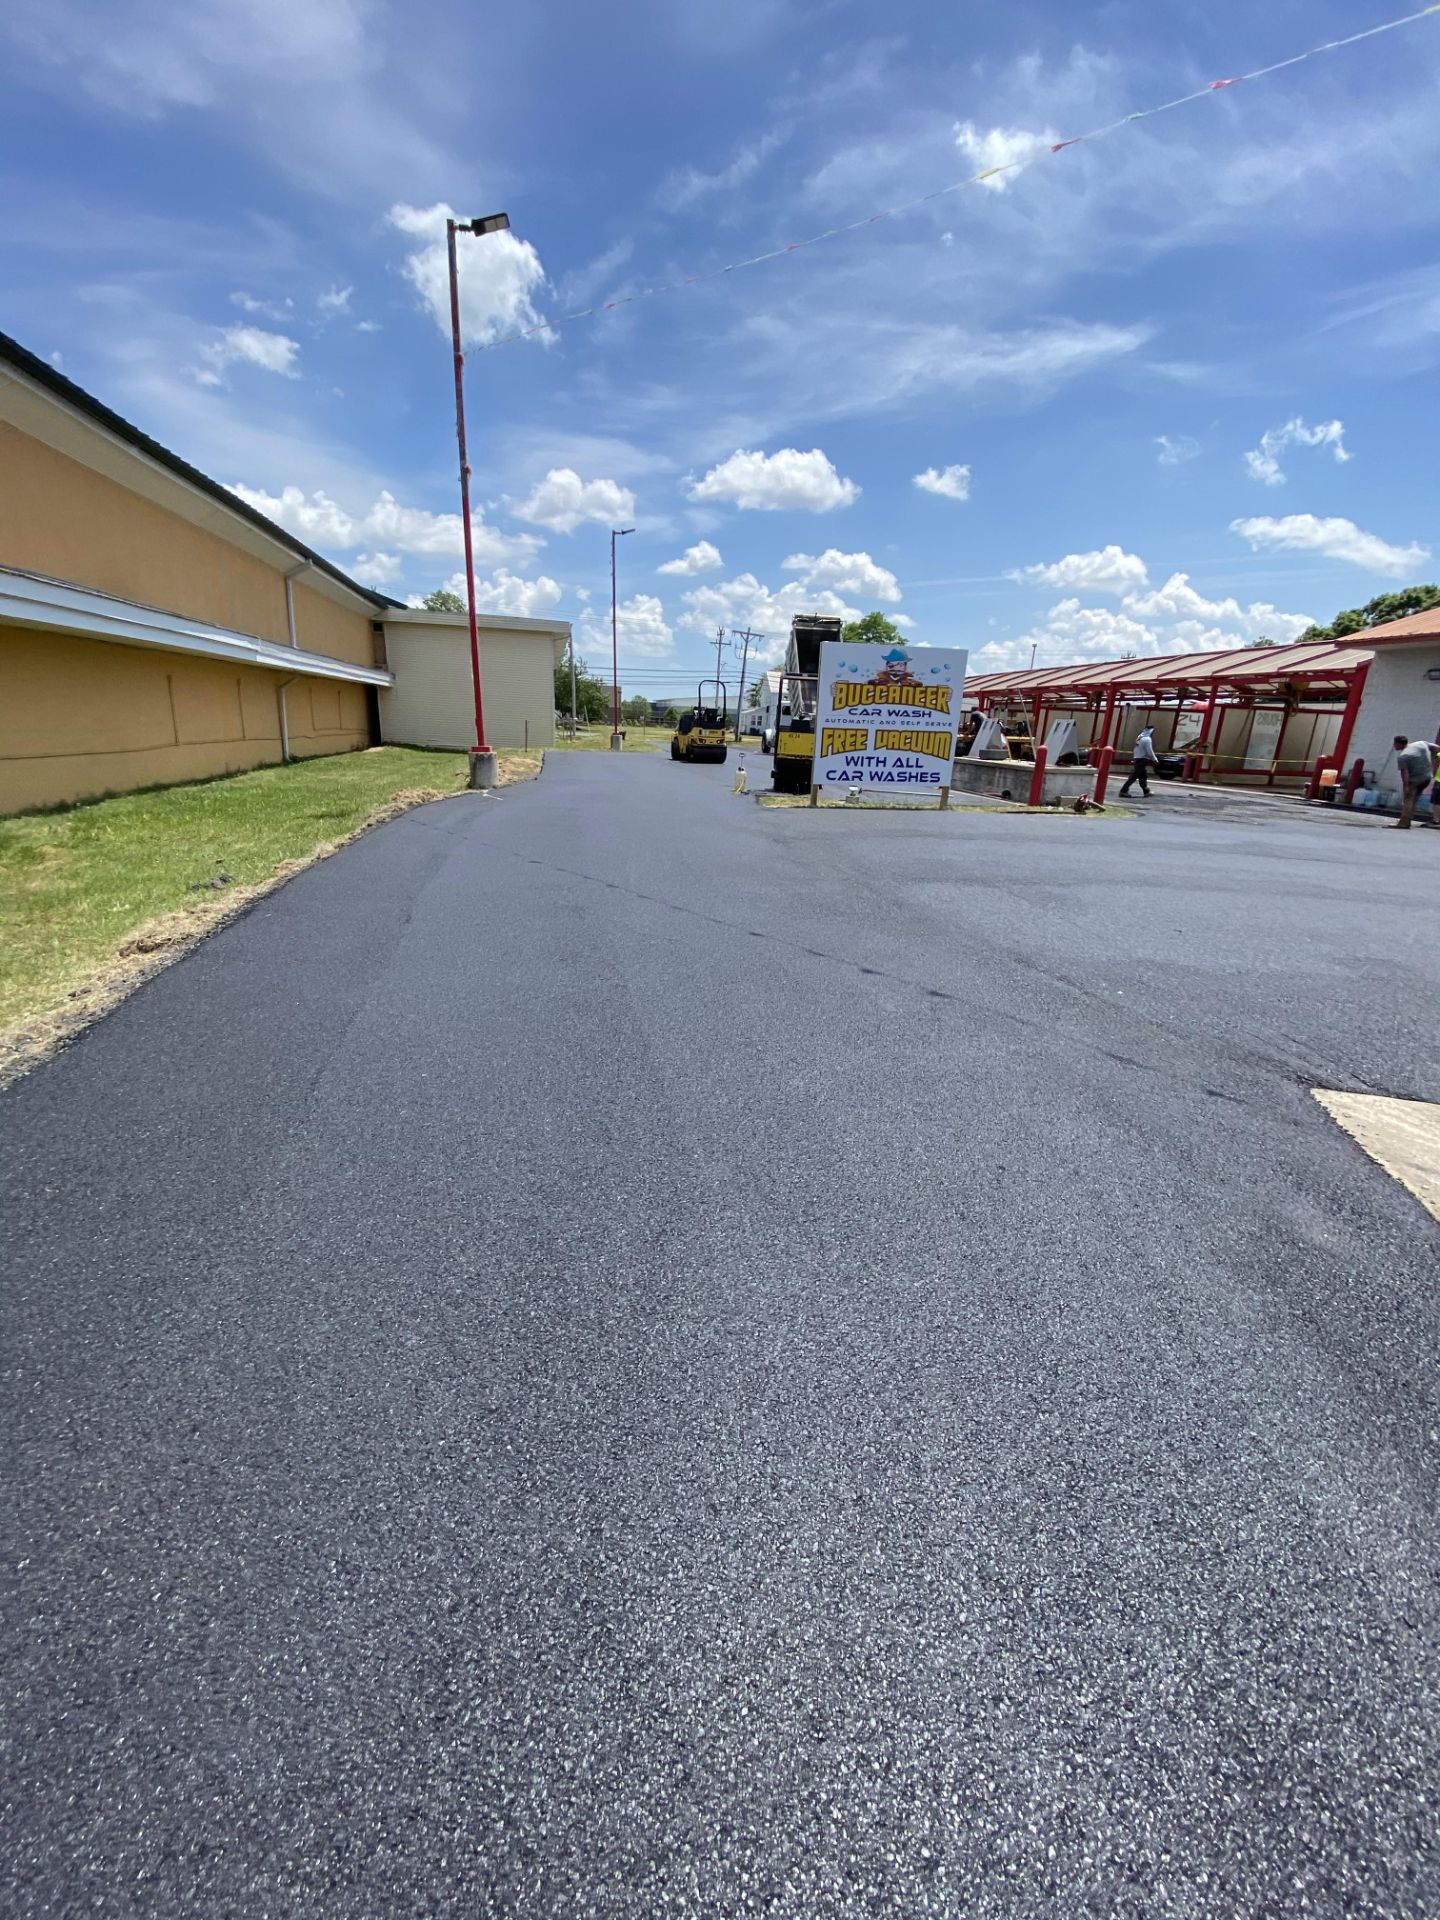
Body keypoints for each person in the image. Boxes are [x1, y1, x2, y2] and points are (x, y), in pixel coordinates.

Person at [1392, 734, 1437, 829]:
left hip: (1415, 780)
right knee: (1414, 800)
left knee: (1408, 800)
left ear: (1399, 744)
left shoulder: (1403, 756)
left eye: (1395, 744)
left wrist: (1406, 787)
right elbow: (1436, 748)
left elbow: (1405, 774)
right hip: (1427, 778)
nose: (1394, 746)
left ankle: (1404, 823)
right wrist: (1435, 759)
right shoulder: (1421, 744)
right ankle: (1408, 820)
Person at [1119, 723, 1160, 797]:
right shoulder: (1147, 739)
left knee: (1143, 776)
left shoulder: (1140, 737)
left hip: (1137, 758)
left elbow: (1136, 749)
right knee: (1134, 776)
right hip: (1142, 760)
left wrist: (1135, 758)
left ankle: (1146, 791)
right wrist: (1155, 759)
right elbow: (1149, 751)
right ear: (1151, 731)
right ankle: (1123, 790)